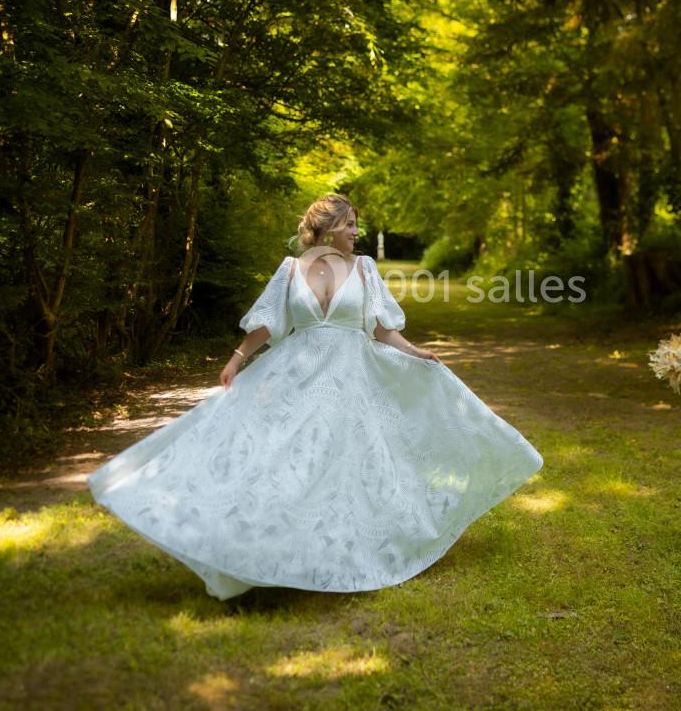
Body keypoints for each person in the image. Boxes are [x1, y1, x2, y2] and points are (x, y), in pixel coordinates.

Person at [88, 194, 543, 599]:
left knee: (346, 467)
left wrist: (414, 351)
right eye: (350, 224)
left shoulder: (364, 269)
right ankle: (259, 550)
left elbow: (383, 328)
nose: (355, 232)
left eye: (356, 225)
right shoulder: (291, 270)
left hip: (351, 379)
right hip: (296, 375)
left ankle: (345, 553)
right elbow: (268, 323)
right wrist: (235, 359)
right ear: (328, 227)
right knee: (283, 460)